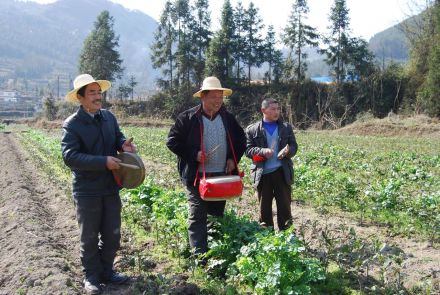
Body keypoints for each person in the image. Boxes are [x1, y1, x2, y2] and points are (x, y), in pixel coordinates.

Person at [61, 74, 135, 294]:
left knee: (112, 233)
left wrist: (124, 145)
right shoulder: (72, 125)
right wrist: (103, 162)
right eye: (91, 93)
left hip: (111, 186)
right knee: (90, 235)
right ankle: (91, 276)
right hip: (87, 190)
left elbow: (117, 138)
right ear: (80, 98)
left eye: (98, 92)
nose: (97, 96)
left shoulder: (108, 118)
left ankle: (107, 271)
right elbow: (70, 157)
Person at [166, 76, 246, 261]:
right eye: (214, 97)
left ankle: (216, 254)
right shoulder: (188, 118)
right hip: (196, 177)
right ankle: (200, 258)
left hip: (220, 176)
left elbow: (241, 141)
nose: (218, 101)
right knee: (197, 214)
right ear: (203, 97)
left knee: (216, 214)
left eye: (220, 97)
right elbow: (172, 142)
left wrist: (232, 160)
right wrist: (194, 154)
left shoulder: (228, 118)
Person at [245, 98, 298, 231]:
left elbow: (294, 146)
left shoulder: (286, 127)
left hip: (282, 172)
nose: (277, 112)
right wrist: (262, 151)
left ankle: (286, 235)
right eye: (273, 109)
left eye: (278, 109)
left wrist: (287, 151)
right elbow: (247, 150)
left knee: (285, 206)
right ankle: (267, 236)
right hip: (263, 174)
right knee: (264, 208)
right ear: (263, 110)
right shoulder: (252, 130)